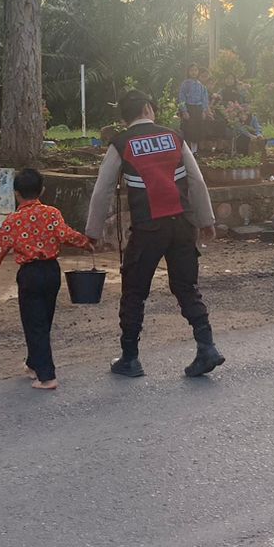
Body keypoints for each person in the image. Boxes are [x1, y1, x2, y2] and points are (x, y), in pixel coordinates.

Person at [86, 88, 223, 379]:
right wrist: (206, 220)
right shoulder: (174, 137)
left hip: (148, 228)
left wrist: (92, 232)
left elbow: (102, 190)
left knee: (134, 291)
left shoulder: (121, 143)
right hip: (182, 224)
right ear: (148, 108)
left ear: (125, 118)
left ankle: (130, 358)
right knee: (186, 286)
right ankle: (207, 346)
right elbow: (197, 181)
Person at [0, 167, 95, 390]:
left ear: (16, 193)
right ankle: (33, 364)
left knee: (34, 323)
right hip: (51, 272)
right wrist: (86, 243)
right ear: (42, 190)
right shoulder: (52, 213)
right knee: (42, 321)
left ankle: (47, 377)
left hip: (30, 275)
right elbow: (66, 234)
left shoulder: (13, 220)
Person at [176, 64, 210, 150]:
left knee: (197, 130)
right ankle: (186, 151)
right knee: (188, 130)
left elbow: (205, 99)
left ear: (198, 72)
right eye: (191, 70)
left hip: (198, 109)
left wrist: (204, 111)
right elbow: (181, 97)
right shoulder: (185, 84)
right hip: (189, 108)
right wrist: (184, 111)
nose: (194, 72)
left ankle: (194, 151)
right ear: (188, 71)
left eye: (195, 70)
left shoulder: (201, 85)